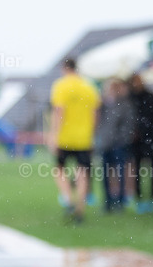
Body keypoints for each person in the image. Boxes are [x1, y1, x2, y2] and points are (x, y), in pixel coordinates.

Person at [48, 57, 100, 223]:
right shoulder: (89, 87)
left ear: (65, 68)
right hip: (84, 138)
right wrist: (91, 134)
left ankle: (68, 199)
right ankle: (80, 208)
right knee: (82, 172)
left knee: (59, 169)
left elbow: (59, 111)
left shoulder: (61, 85)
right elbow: (95, 114)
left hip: (64, 137)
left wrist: (53, 135)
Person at [96, 78, 136, 212]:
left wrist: (120, 139)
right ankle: (107, 201)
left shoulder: (125, 104)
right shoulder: (103, 104)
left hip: (118, 144)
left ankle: (120, 200)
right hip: (105, 143)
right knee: (106, 173)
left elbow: (128, 124)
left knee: (120, 173)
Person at [128, 73, 153, 213]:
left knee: (152, 170)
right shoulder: (130, 98)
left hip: (150, 139)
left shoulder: (149, 97)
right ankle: (139, 199)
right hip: (137, 141)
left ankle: (151, 198)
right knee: (137, 171)